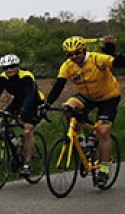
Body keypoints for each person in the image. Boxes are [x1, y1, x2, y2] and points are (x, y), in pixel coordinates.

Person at [44, 35, 123, 187]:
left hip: (108, 98)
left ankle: (104, 169)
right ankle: (81, 140)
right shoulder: (67, 66)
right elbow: (59, 85)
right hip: (87, 97)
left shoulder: (96, 59)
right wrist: (47, 104)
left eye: (77, 53)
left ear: (84, 50)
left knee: (103, 131)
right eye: (70, 54)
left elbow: (118, 63)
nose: (74, 57)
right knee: (68, 109)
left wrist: (113, 53)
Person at [0, 54, 45, 176]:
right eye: (6, 68)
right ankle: (16, 142)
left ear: (17, 66)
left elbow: (30, 95)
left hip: (34, 101)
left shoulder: (26, 76)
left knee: (27, 131)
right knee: (2, 121)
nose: (9, 70)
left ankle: (27, 163)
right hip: (18, 100)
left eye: (12, 66)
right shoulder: (3, 78)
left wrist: (23, 111)